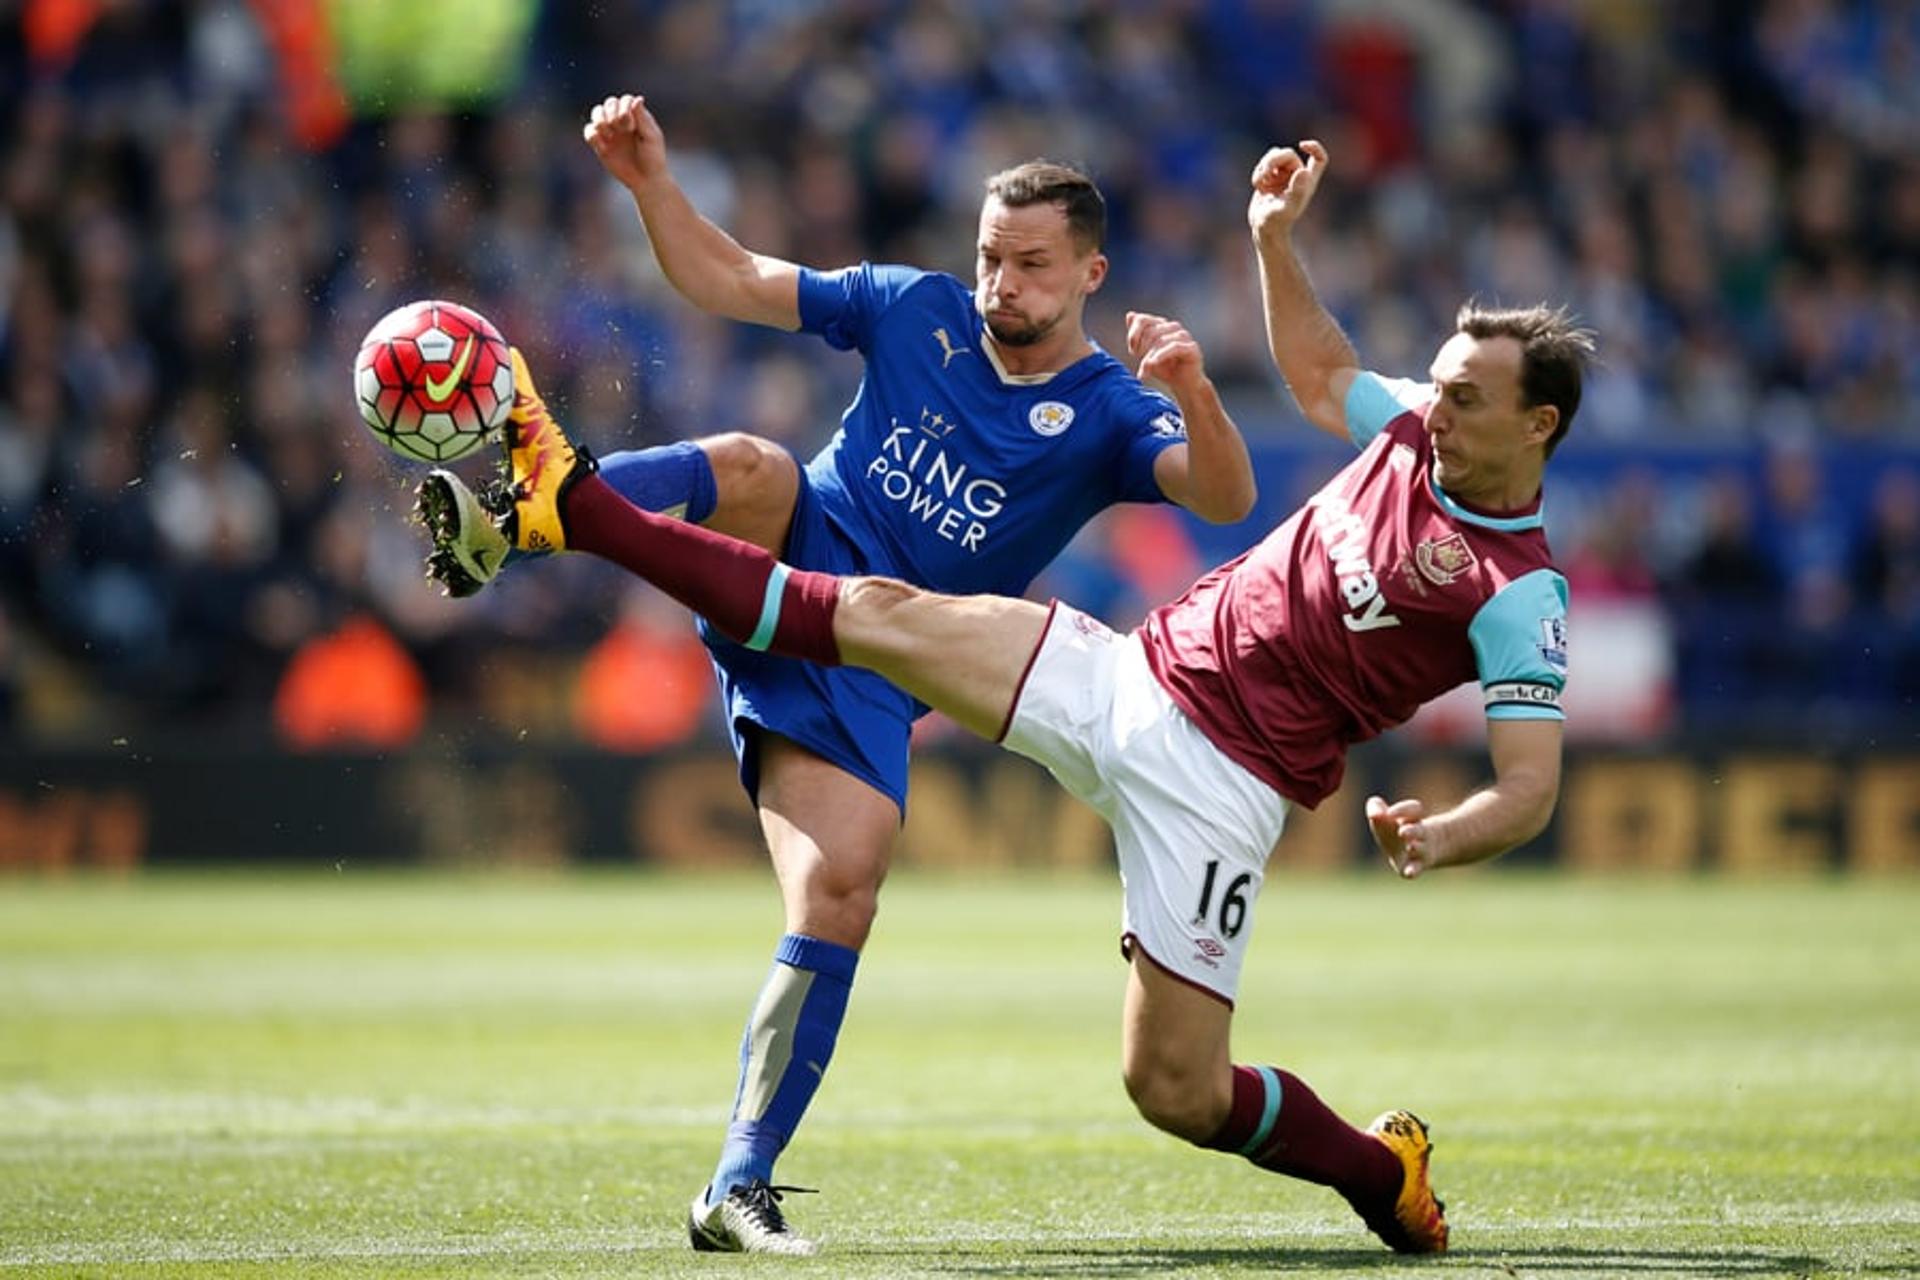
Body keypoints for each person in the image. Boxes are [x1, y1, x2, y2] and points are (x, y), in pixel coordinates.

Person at [430, 137, 1589, 1256]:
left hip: (1230, 787)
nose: (1433, 409)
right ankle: (558, 507)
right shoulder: (1394, 422)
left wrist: (1443, 831)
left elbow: (1528, 784)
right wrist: (1271, 235)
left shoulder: (1518, 590)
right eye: (1436, 386)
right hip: (1126, 672)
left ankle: (1382, 1172)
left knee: (1171, 1085)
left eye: (1464, 400)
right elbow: (1325, 367)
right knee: (825, 553)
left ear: (1536, 426)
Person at [414, 93, 1258, 1254]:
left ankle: (735, 1184)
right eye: (988, 257)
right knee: (762, 462)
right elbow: (728, 280)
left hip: (880, 658)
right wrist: (652, 184)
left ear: (1091, 271)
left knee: (840, 895)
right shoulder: (915, 308)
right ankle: (533, 511)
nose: (1000, 283)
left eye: (1030, 264)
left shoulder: (1112, 409)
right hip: (795, 545)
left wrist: (1195, 387)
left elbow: (1224, 497)